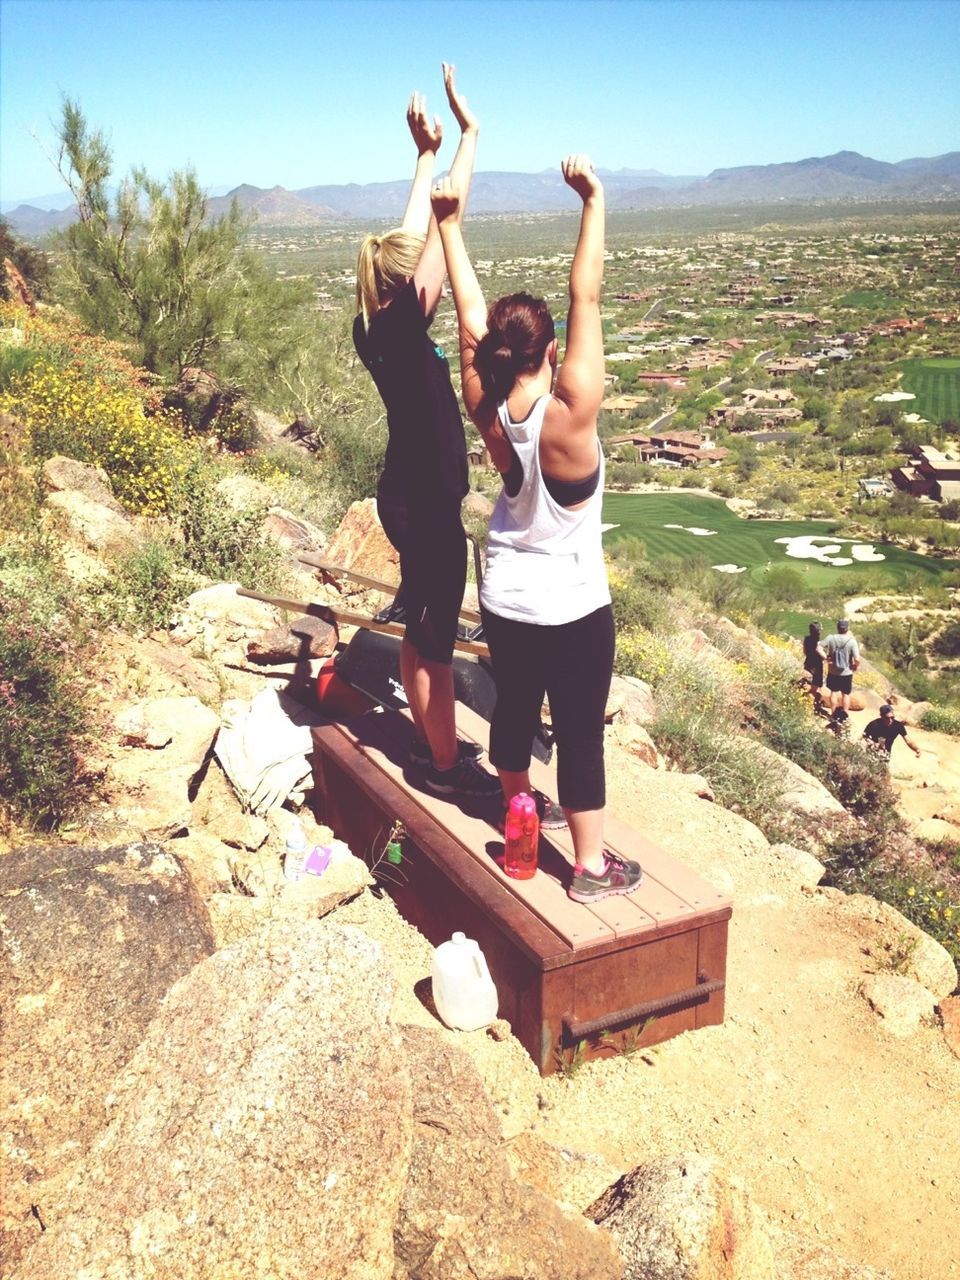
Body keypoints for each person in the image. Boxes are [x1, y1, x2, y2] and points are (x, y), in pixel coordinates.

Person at [431, 154, 643, 903]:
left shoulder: (485, 408)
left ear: (494, 355)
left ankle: (521, 806)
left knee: (515, 705)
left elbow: (466, 325)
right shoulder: (572, 412)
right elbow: (587, 293)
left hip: (507, 594)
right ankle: (590, 869)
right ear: (550, 353)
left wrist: (449, 225)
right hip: (573, 606)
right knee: (580, 729)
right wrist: (594, 199)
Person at [353, 65, 499, 800]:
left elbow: (410, 237)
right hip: (427, 507)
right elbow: (442, 224)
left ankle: (431, 742)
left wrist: (424, 155)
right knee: (432, 641)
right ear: (407, 291)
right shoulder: (403, 331)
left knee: (422, 627)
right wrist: (463, 144)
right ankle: (441, 767)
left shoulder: (374, 325)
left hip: (410, 497)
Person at [822, 617, 860, 727]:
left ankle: (833, 714)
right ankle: (845, 716)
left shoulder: (831, 638)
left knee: (833, 692)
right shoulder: (852, 641)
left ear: (837, 628)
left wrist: (826, 658)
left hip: (833, 671)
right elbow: (857, 659)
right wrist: (855, 666)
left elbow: (818, 647)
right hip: (846, 672)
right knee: (846, 695)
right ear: (847, 629)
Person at [802, 621, 826, 713]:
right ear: (818, 631)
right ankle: (809, 706)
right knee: (814, 687)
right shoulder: (818, 642)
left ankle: (804, 702)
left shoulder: (806, 639)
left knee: (806, 684)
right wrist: (826, 657)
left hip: (808, 662)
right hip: (817, 665)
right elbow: (821, 654)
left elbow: (804, 651)